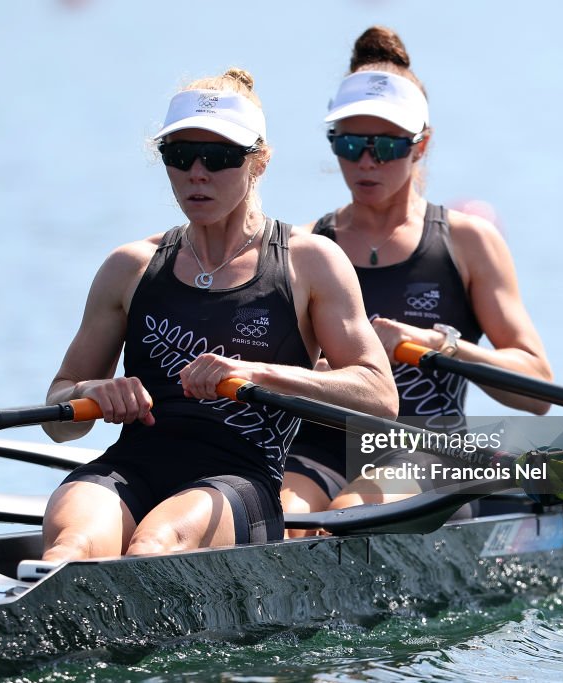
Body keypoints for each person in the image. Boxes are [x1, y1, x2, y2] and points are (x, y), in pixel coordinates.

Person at [39, 68, 397, 563]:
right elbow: (60, 422)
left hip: (240, 482)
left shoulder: (309, 262)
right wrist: (89, 392)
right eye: (180, 156)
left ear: (260, 162)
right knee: (70, 547)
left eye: (222, 157)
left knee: (153, 546)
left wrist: (255, 374)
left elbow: (380, 397)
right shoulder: (129, 266)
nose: (198, 173)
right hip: (130, 467)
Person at [280, 27, 553, 528]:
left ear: (420, 145)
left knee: (350, 516)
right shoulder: (305, 247)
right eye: (348, 143)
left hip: (431, 451)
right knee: (282, 518)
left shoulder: (468, 243)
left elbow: (536, 391)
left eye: (385, 146)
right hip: (323, 448)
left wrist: (437, 344)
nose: (365, 161)